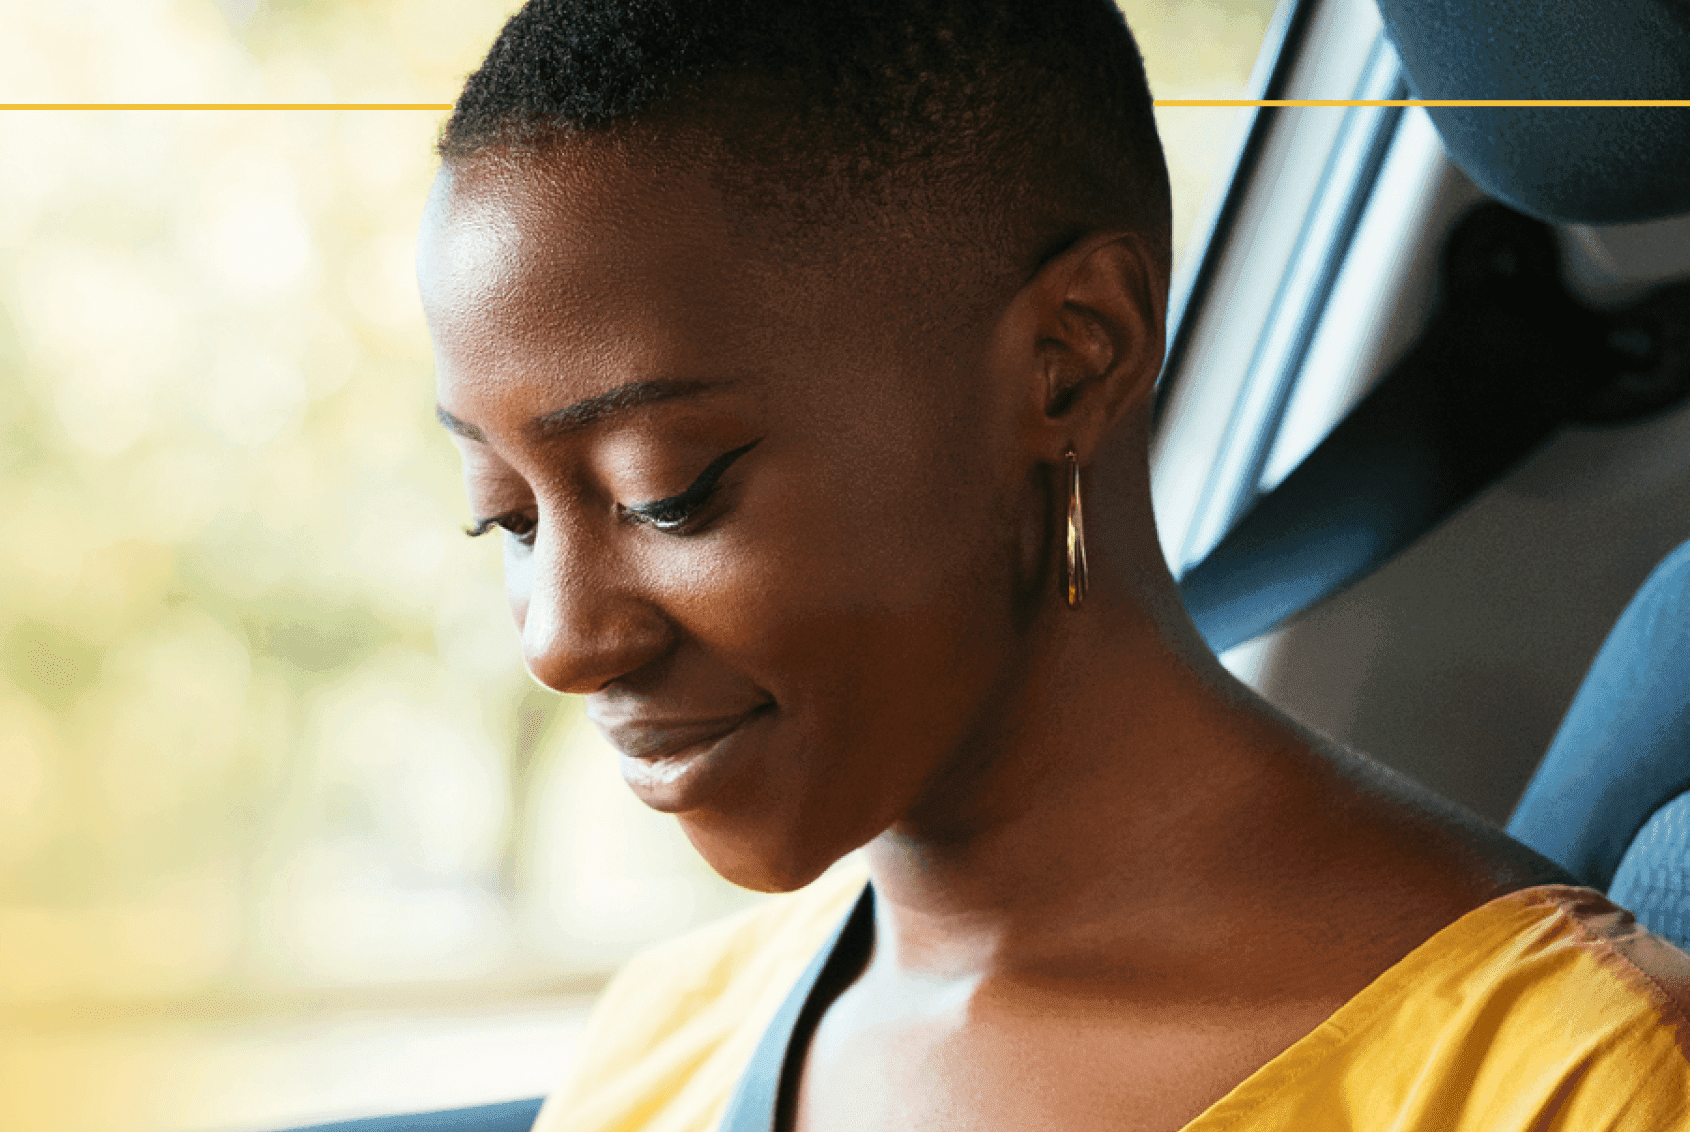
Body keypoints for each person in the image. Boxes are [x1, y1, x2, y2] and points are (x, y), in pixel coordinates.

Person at [412, 1, 1690, 1129]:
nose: (562, 641)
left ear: (1070, 359)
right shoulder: (666, 1041)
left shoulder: (1569, 1082)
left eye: (666, 494)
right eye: (508, 518)